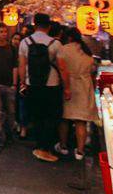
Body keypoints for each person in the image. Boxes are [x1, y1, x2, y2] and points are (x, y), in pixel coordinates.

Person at [18, 13, 66, 162]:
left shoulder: (25, 42)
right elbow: (63, 68)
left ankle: (40, 146)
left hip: (32, 84)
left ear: (34, 25)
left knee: (37, 116)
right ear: (49, 26)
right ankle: (45, 149)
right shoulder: (55, 43)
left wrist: (23, 82)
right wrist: (67, 87)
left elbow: (21, 65)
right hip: (51, 85)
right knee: (51, 117)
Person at [56, 27, 97, 160]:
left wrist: (67, 88)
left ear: (68, 37)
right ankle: (80, 151)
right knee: (81, 121)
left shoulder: (63, 49)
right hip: (85, 86)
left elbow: (62, 69)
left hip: (69, 84)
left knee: (65, 118)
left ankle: (63, 146)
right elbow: (92, 71)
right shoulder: (87, 51)